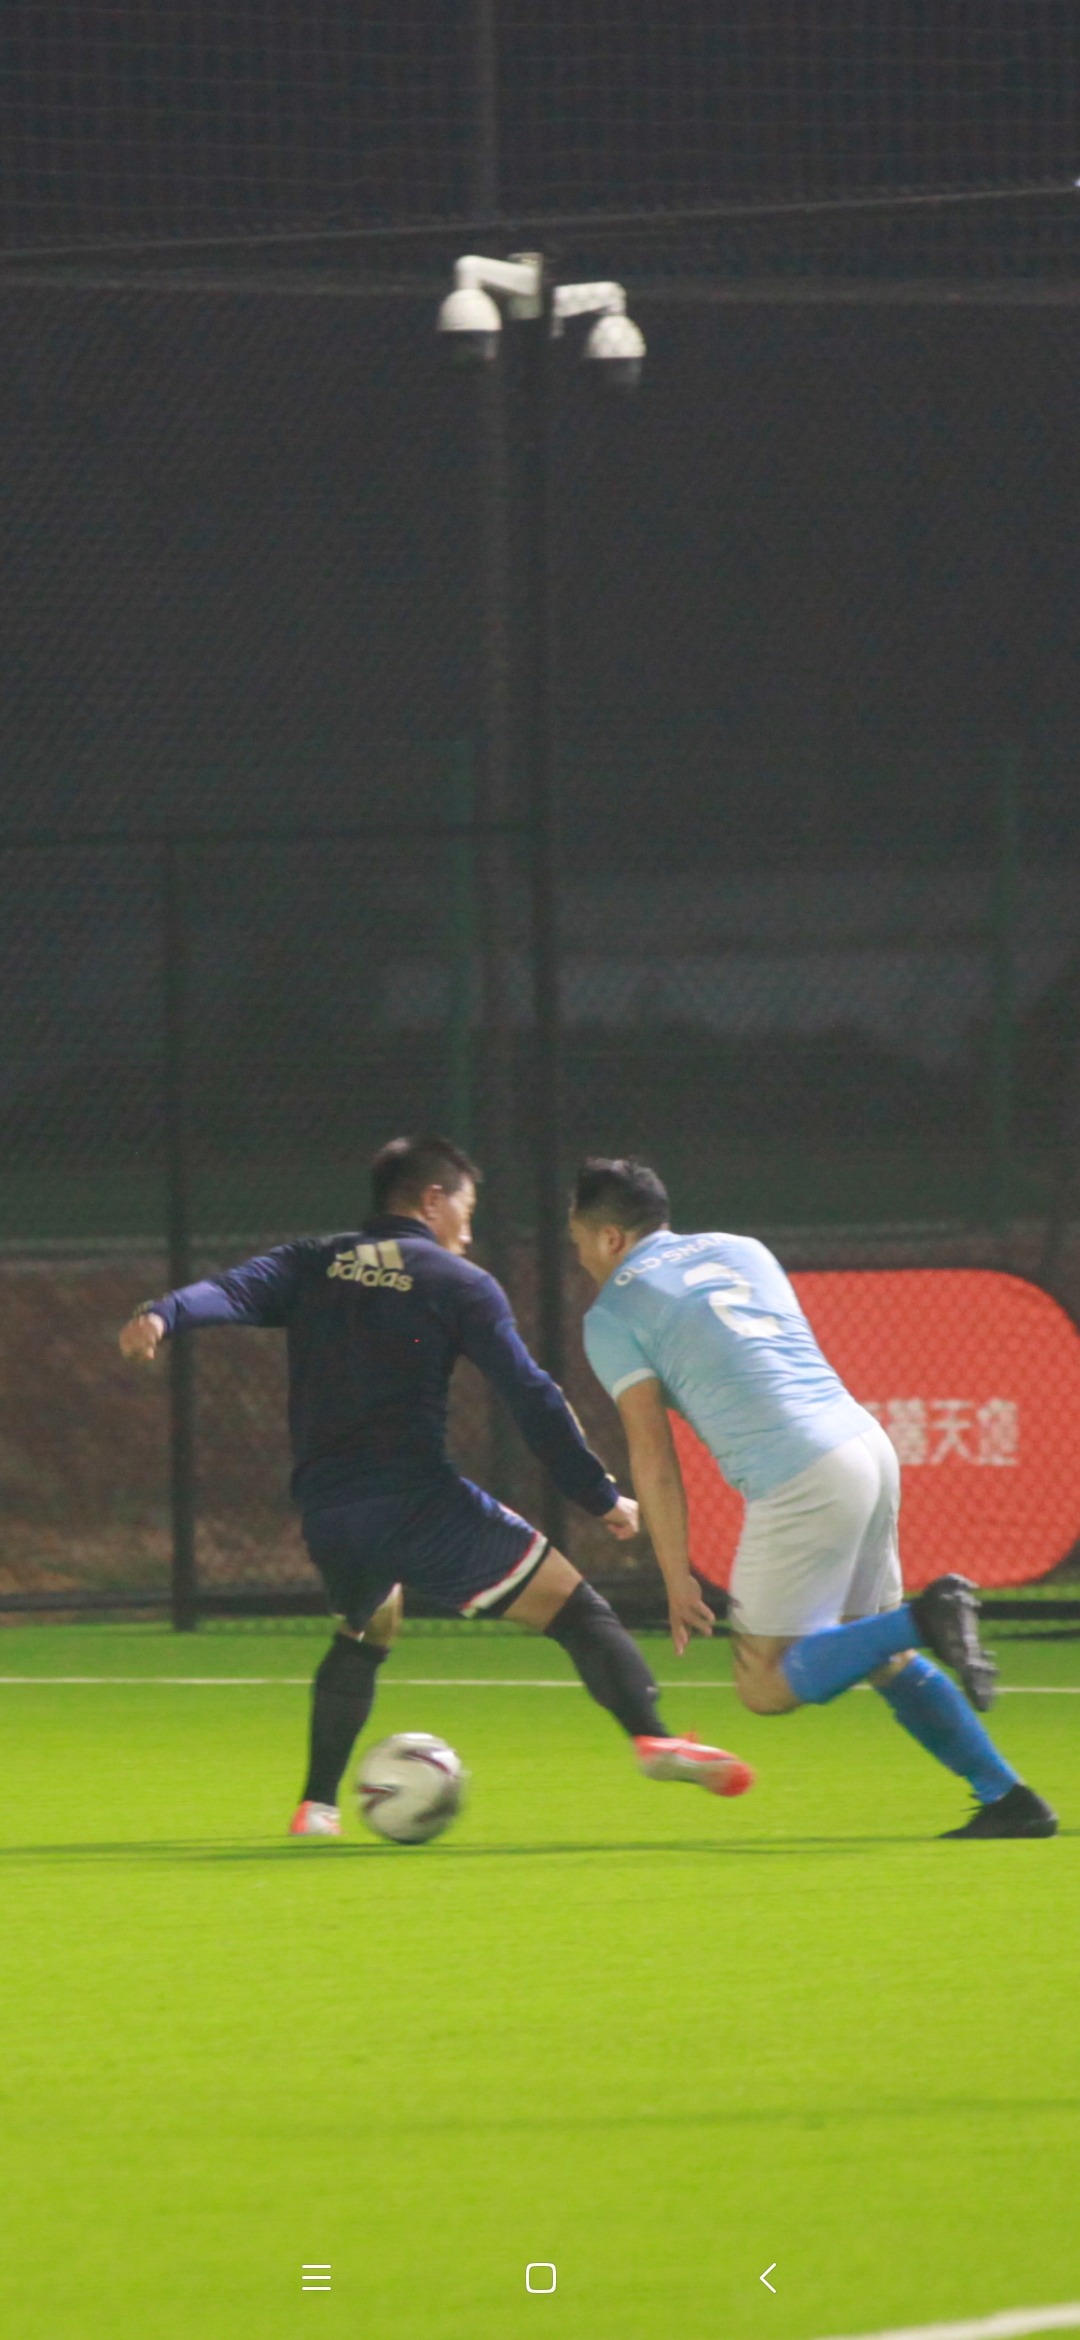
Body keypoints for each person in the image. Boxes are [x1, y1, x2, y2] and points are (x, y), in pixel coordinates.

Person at [119, 1135, 754, 1835]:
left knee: (368, 1624)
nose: (469, 1231)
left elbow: (230, 1291)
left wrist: (162, 1315)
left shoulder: (313, 1260)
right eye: (466, 1211)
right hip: (420, 1506)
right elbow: (531, 1396)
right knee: (578, 1612)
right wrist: (598, 1495)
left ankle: (316, 1806)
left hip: (329, 1515)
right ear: (432, 1200)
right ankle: (652, 1738)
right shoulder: (459, 1283)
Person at [569, 1156, 1058, 1840]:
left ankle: (928, 1616)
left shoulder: (614, 1312)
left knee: (764, 1685)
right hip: (864, 1445)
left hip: (799, 1474)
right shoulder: (743, 1249)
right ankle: (1008, 1798)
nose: (581, 1258)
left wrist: (676, 1575)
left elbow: (652, 1454)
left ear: (610, 1238)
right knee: (875, 1650)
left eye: (579, 1241)